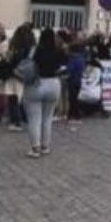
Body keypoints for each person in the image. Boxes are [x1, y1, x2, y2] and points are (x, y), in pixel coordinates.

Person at [22, 28, 66, 158]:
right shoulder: (58, 51)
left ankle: (35, 148)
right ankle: (45, 146)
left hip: (36, 83)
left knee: (34, 119)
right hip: (54, 84)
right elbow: (64, 65)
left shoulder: (35, 50)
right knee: (48, 118)